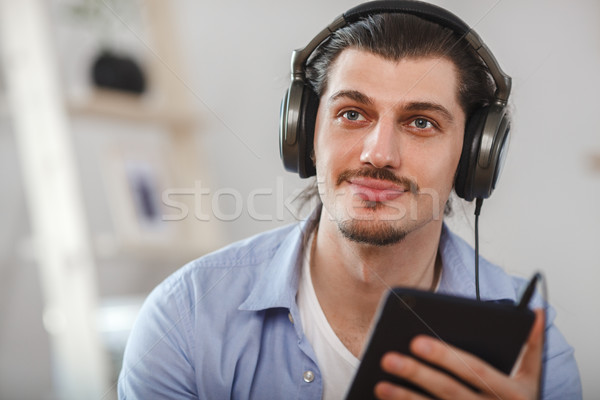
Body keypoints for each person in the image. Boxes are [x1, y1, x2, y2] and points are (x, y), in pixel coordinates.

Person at [118, 2, 582, 399]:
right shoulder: (185, 319)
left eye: (421, 123)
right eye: (352, 113)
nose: (379, 153)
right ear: (304, 134)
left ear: (474, 158)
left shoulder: (530, 356)